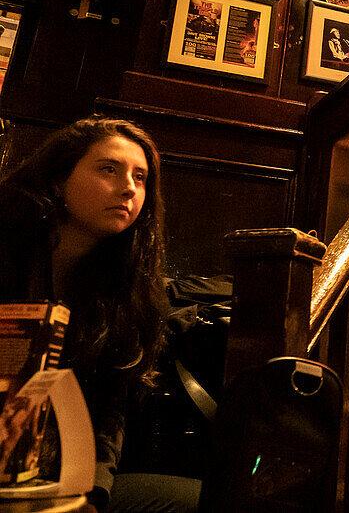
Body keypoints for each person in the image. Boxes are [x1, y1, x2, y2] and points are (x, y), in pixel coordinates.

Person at [0, 117, 200, 511]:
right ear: (58, 179)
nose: (129, 188)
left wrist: (93, 493)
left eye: (141, 177)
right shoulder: (8, 253)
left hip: (52, 477)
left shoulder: (124, 290)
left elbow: (110, 406)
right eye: (109, 169)